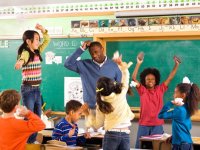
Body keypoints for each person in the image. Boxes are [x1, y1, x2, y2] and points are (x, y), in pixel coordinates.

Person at [132, 52, 180, 148]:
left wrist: (176, 64)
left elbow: (170, 78)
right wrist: (138, 63)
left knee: (157, 147)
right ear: (144, 81)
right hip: (144, 125)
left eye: (152, 79)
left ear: (156, 80)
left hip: (157, 125)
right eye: (148, 79)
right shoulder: (142, 90)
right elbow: (133, 79)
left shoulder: (160, 89)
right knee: (140, 147)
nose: (150, 81)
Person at [86, 58, 135, 150]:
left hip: (111, 135)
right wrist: (121, 65)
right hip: (125, 134)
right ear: (112, 85)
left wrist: (88, 114)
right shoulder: (121, 93)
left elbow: (97, 125)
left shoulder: (100, 103)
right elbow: (126, 76)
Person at [14, 24, 50, 143]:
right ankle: (27, 141)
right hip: (28, 89)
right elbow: (22, 58)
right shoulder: (26, 53)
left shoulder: (37, 51)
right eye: (36, 39)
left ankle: (31, 140)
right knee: (28, 117)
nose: (38, 42)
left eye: (39, 39)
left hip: (36, 89)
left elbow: (47, 40)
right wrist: (20, 63)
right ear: (28, 41)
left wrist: (43, 30)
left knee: (37, 117)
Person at [64, 41, 122, 109]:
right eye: (91, 53)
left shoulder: (114, 66)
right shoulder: (84, 65)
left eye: (96, 52)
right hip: (91, 108)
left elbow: (119, 88)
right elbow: (67, 64)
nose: (94, 55)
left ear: (102, 49)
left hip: (110, 107)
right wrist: (81, 49)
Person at [159, 77, 200, 150]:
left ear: (183, 95)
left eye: (175, 92)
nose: (173, 95)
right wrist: (174, 136)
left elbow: (161, 115)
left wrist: (171, 103)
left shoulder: (179, 110)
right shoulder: (187, 108)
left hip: (180, 144)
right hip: (187, 143)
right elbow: (187, 126)